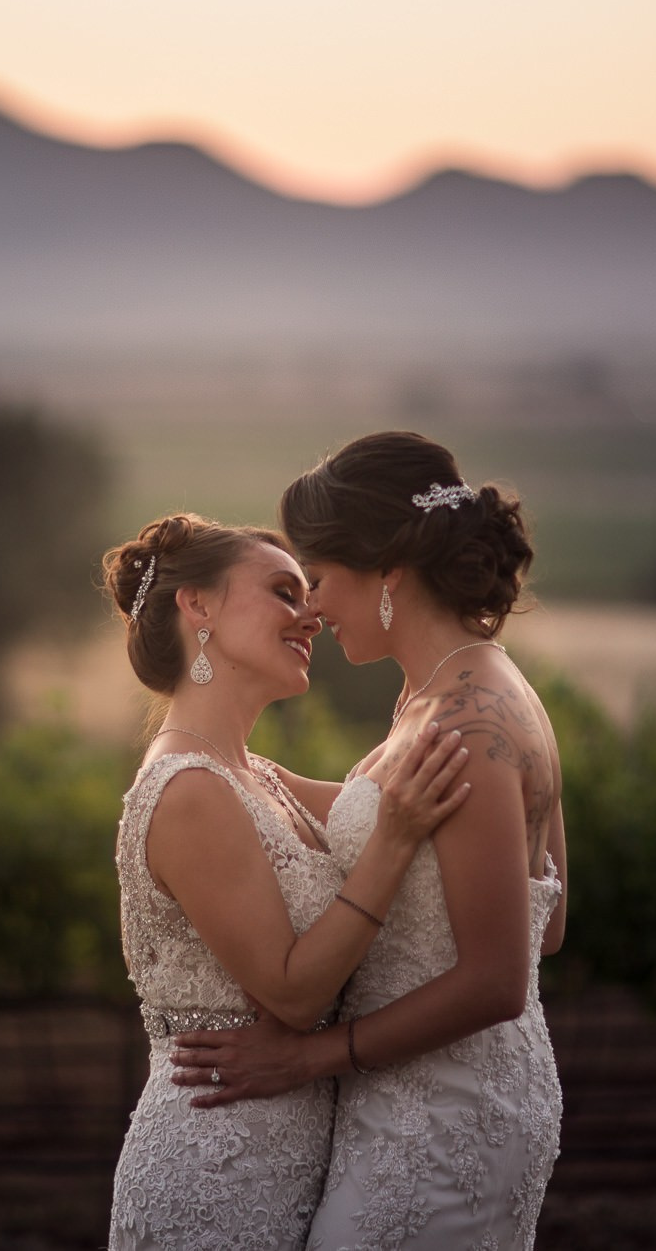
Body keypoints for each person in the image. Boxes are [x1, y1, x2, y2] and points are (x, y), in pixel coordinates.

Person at [169, 432, 567, 1250]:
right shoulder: (448, 690)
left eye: (317, 578)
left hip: (444, 1119)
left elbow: (500, 979)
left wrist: (307, 1058)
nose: (312, 609)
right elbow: (547, 919)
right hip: (419, 1099)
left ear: (387, 568)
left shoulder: (469, 722)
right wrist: (222, 769)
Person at [102, 512, 473, 1251]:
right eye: (282, 591)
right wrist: (392, 842)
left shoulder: (259, 778)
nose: (310, 615)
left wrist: (481, 708)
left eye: (309, 594)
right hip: (216, 1172)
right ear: (198, 606)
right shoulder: (188, 789)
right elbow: (294, 993)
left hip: (297, 1164)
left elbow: (416, 808)